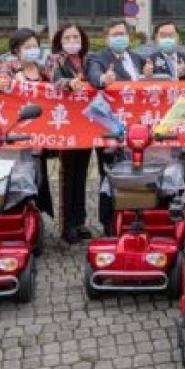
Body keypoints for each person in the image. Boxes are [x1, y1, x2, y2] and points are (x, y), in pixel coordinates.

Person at [47, 23, 94, 243]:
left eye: (76, 36)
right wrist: (69, 83)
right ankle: (67, 226)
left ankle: (80, 220)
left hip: (87, 123)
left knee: (82, 174)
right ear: (60, 40)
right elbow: (55, 79)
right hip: (66, 124)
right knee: (68, 175)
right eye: (68, 37)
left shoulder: (87, 59)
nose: (73, 40)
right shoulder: (56, 59)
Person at [87, 19, 145, 88]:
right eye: (115, 35)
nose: (119, 38)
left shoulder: (136, 57)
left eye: (122, 34)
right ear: (107, 39)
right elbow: (94, 73)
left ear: (128, 36)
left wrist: (148, 74)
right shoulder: (98, 58)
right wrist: (104, 78)